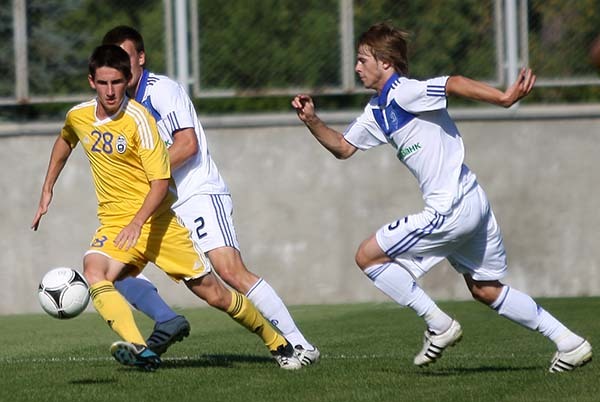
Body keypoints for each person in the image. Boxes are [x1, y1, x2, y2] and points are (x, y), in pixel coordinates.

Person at [291, 22, 592, 373]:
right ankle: (569, 343)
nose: (357, 68)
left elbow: (453, 82)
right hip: (471, 200)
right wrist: (312, 120)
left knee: (367, 256)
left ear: (385, 62)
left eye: (363, 60)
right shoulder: (377, 110)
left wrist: (503, 98)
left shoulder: (404, 92)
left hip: (450, 207)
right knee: (485, 289)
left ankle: (438, 323)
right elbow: (343, 148)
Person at [31, 44, 301, 371]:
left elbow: (160, 183)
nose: (110, 91)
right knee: (94, 271)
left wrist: (137, 223)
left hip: (158, 223)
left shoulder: (139, 120)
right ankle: (140, 349)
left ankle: (277, 341)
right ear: (92, 82)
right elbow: (65, 140)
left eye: (116, 82)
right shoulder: (79, 116)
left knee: (215, 294)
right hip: (116, 223)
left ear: (127, 79)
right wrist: (47, 188)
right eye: (103, 83)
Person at [101, 25, 319, 365]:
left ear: (141, 58)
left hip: (197, 193)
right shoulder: (122, 108)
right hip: (164, 204)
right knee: (115, 269)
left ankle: (299, 345)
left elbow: (187, 145)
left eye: (126, 58)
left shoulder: (161, 91)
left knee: (230, 271)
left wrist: (144, 173)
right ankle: (164, 323)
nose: (121, 67)